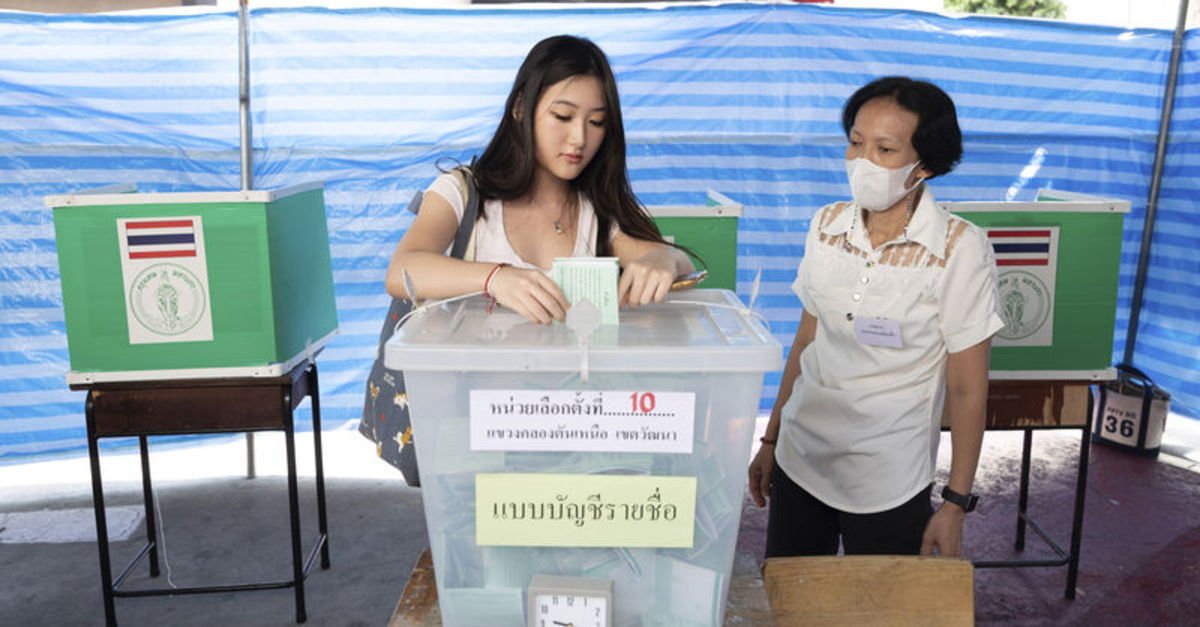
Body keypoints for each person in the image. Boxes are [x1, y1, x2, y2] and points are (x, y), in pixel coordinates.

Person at [747, 76, 1005, 558]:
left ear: (924, 164)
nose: (863, 161)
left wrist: (954, 503)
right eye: (855, 143)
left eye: (885, 150)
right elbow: (806, 342)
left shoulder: (958, 249)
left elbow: (969, 387)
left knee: (884, 607)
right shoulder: (826, 225)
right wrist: (772, 438)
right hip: (802, 459)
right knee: (793, 600)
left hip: (889, 477)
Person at [385, 35, 694, 323]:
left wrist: (666, 259)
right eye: (562, 116)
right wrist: (496, 278)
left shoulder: (598, 213)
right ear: (521, 108)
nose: (579, 138)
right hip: (466, 380)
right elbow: (401, 271)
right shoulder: (461, 193)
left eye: (597, 122)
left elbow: (673, 262)